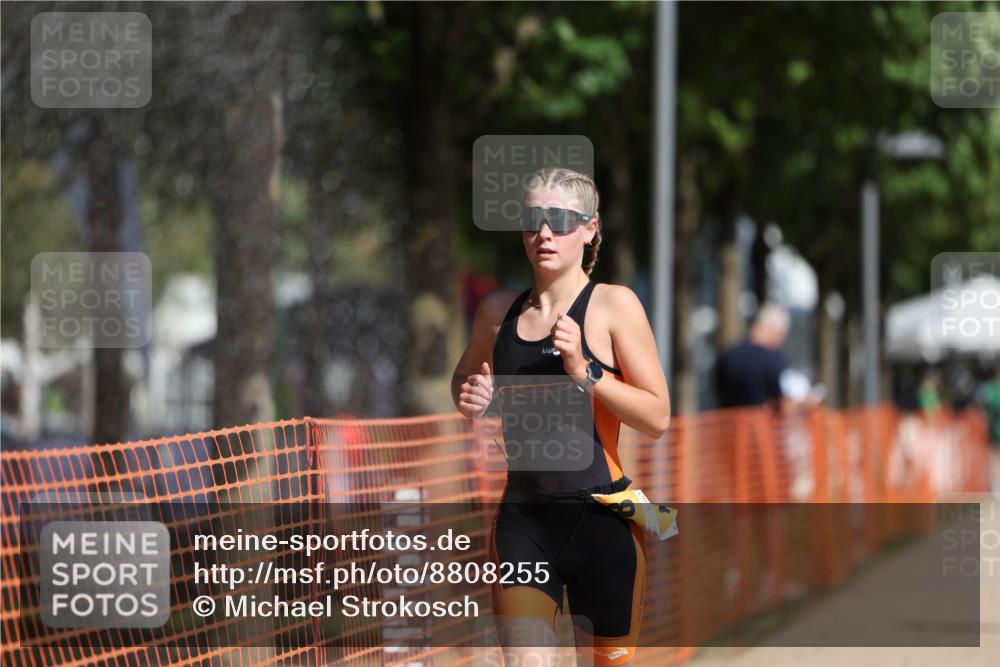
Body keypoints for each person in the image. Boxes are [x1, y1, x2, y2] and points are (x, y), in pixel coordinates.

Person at [451, 167, 670, 666]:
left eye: (561, 220)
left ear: (591, 228)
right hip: (525, 523)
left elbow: (658, 417)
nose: (544, 233)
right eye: (532, 220)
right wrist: (471, 394)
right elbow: (464, 382)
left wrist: (587, 372)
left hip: (605, 523)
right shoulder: (496, 311)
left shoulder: (614, 305)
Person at [715, 303, 794, 410]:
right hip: (764, 425)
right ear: (776, 331)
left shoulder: (729, 355)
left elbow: (719, 392)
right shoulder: (773, 359)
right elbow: (785, 403)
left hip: (730, 425)